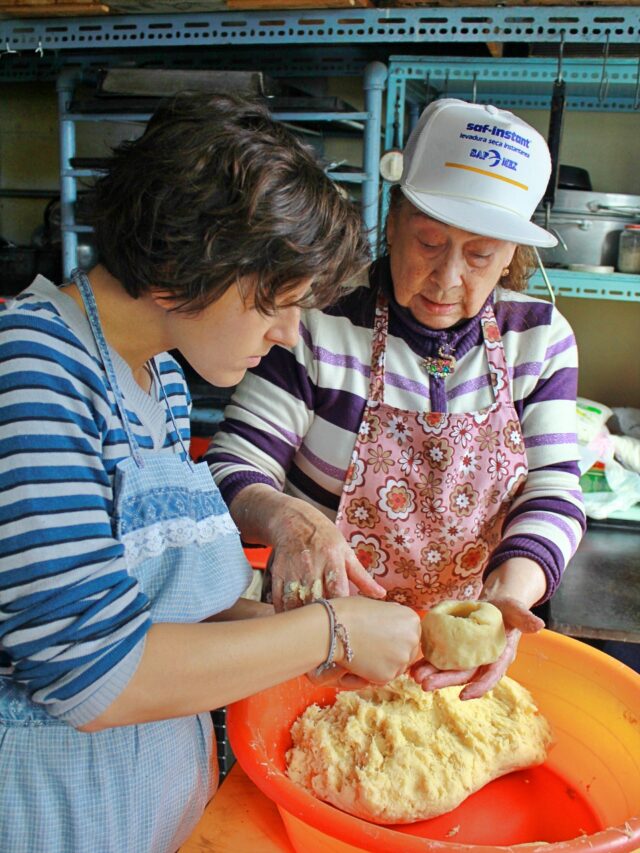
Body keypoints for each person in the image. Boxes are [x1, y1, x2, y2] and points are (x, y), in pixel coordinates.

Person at [0, 93, 423, 853]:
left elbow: (166, 617)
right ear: (192, 259)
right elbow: (98, 675)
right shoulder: (33, 372)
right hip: (52, 811)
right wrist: (331, 633)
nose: (291, 330)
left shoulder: (158, 375)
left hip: (149, 806)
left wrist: (329, 644)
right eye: (279, 299)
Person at [208, 98, 587, 700]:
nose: (447, 278)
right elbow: (232, 464)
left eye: (481, 255)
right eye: (429, 242)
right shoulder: (317, 318)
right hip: (321, 645)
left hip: (457, 654)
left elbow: (554, 490)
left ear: (512, 256)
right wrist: (291, 519)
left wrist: (510, 594)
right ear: (392, 221)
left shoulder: (538, 340)